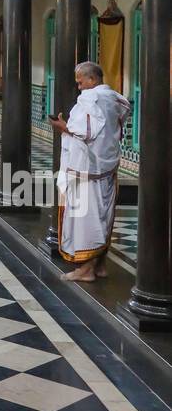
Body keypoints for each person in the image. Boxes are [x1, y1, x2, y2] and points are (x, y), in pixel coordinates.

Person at [49, 61, 130, 283]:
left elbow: (85, 132)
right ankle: (100, 264)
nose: (79, 87)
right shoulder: (115, 99)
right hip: (106, 168)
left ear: (92, 80)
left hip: (86, 170)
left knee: (85, 219)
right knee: (102, 217)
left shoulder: (89, 100)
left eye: (80, 81)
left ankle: (86, 270)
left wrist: (62, 126)